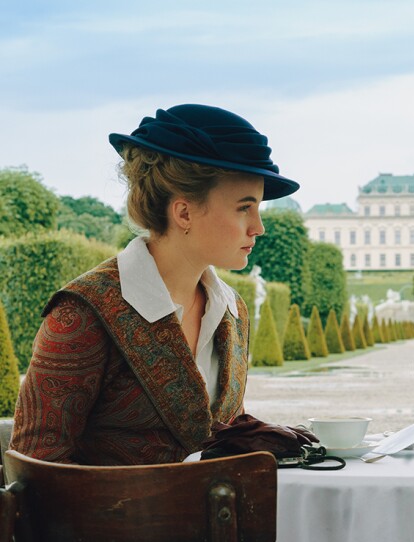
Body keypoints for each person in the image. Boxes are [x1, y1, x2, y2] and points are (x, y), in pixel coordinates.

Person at [11, 104, 299, 465]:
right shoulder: (84, 313)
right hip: (104, 522)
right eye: (244, 207)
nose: (258, 227)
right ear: (183, 213)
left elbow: (221, 439)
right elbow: (34, 468)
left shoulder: (232, 309)